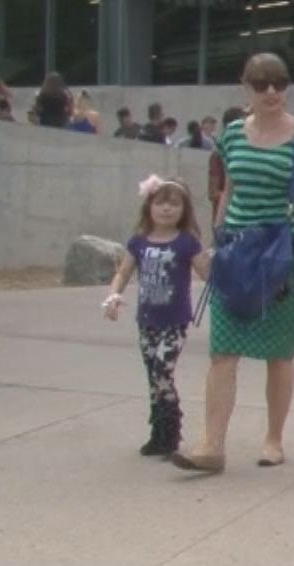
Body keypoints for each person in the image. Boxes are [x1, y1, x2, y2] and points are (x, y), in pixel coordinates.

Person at [172, 53, 294, 474]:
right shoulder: (231, 135)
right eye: (261, 84)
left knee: (279, 352)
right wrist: (216, 238)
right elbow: (228, 189)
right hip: (238, 250)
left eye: (279, 83)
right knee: (223, 350)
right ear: (245, 87)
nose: (271, 92)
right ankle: (211, 445)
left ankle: (273, 438)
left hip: (290, 252)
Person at [101, 177, 208, 457]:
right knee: (153, 376)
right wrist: (113, 296)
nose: (167, 210)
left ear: (185, 210)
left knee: (162, 369)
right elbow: (123, 273)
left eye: (175, 204)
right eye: (160, 203)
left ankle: (171, 429)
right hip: (147, 320)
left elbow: (207, 274)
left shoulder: (187, 242)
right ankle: (157, 433)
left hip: (175, 321)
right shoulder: (138, 242)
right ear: (149, 206)